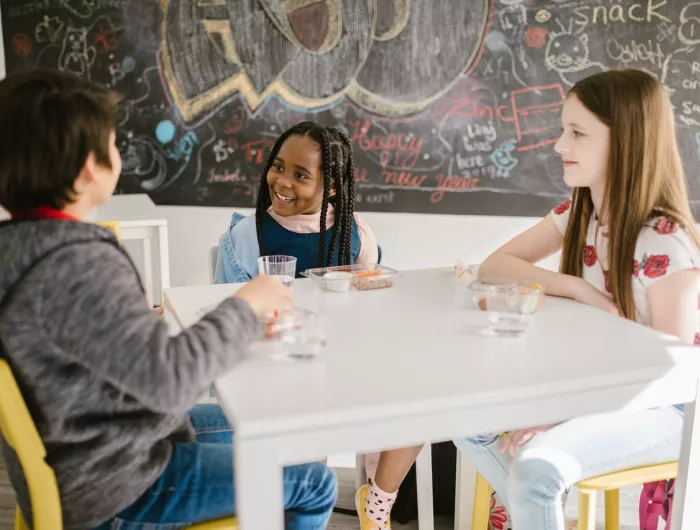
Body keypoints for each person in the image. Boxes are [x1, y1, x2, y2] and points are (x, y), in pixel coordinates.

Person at [356, 68, 700, 530]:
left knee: (538, 467)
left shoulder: (665, 241)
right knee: (466, 417)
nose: (560, 145)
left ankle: (532, 505)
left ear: (626, 142)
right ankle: (533, 515)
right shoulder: (579, 213)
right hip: (601, 391)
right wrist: (578, 288)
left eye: (577, 133)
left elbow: (670, 377)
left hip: (672, 412)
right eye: (563, 129)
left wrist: (564, 413)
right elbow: (496, 265)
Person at [0, 69, 337, 530]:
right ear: (88, 167)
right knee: (314, 482)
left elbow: (102, 350)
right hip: (119, 486)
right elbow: (171, 382)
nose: (120, 154)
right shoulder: (75, 264)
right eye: (114, 145)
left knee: (267, 420)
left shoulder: (20, 247)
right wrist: (245, 306)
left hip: (95, 448)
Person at [214, 121, 379, 283]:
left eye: (300, 175)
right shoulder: (247, 234)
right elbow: (231, 305)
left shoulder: (356, 232)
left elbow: (366, 299)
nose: (283, 182)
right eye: (278, 167)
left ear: (332, 187)